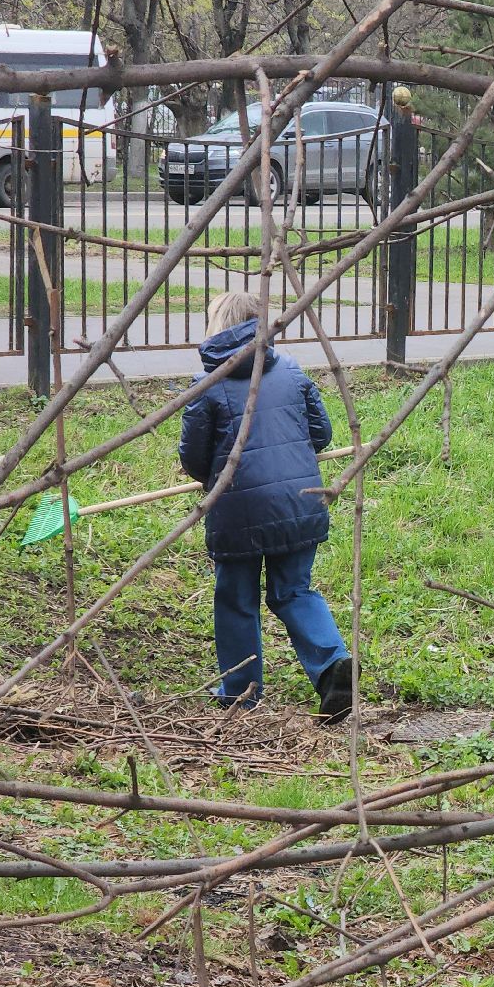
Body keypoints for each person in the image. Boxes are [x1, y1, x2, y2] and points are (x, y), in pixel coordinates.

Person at [179, 291, 355, 722]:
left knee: (236, 598)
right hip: (300, 503)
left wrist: (211, 475)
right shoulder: (292, 371)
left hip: (237, 511)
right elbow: (322, 434)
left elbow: (194, 459)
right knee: (294, 589)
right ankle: (333, 666)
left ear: (217, 325)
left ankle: (240, 692)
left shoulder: (207, 385)